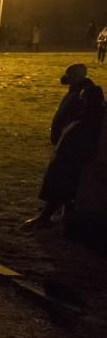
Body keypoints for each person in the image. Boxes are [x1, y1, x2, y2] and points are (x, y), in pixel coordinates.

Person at [23, 65, 105, 229]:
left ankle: (48, 216)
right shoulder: (79, 92)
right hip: (67, 142)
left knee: (62, 180)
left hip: (72, 148)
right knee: (67, 183)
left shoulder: (86, 96)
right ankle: (62, 214)